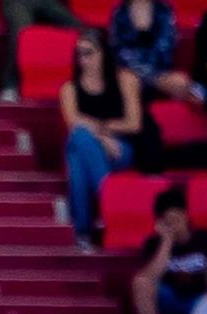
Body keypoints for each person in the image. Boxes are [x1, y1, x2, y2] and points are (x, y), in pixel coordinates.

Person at [62, 28, 145, 251]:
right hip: (99, 144)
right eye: (79, 54)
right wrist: (101, 138)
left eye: (89, 53)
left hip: (121, 148)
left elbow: (134, 123)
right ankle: (109, 205)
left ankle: (83, 231)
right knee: (79, 145)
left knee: (77, 148)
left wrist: (102, 132)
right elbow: (73, 122)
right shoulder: (70, 89)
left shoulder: (124, 79)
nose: (83, 60)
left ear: (103, 53)